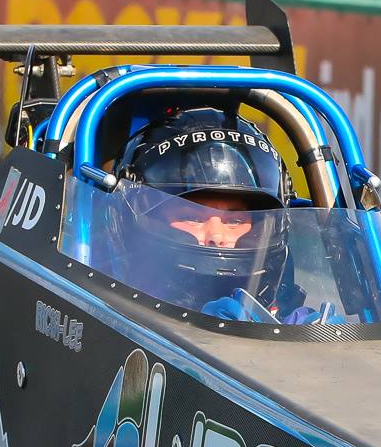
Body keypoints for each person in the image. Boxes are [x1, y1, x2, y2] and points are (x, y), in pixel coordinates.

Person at [107, 109, 337, 326]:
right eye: (192, 217)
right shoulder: (104, 311)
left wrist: (318, 341)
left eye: (234, 221)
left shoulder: (289, 321)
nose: (216, 236)